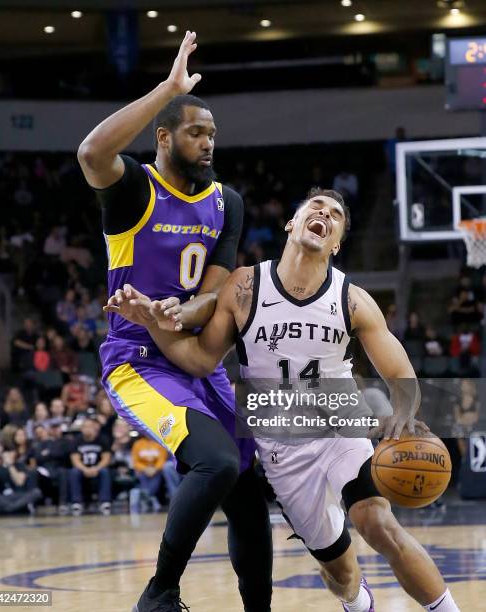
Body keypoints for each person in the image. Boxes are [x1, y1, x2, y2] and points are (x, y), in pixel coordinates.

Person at [106, 187, 461, 612]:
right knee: (342, 573)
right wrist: (153, 324)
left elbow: (400, 374)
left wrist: (404, 415)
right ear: (291, 223)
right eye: (315, 206)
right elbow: (200, 360)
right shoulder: (245, 286)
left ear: (336, 243)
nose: (324, 214)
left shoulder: (351, 299)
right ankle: (357, 601)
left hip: (339, 429)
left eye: (335, 216)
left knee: (377, 522)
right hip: (283, 451)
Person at [78, 31, 272, 612]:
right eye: (195, 131)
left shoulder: (225, 202)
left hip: (193, 355)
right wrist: (166, 88)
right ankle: (158, 592)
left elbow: (213, 291)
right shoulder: (134, 188)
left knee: (245, 485)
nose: (208, 142)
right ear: (163, 137)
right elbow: (91, 153)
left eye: (213, 133)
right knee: (213, 461)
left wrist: (177, 312)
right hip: (137, 359)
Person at [69, 417, 112, 516]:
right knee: (74, 472)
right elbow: (75, 459)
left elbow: (106, 458)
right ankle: (77, 502)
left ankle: (104, 501)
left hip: (98, 467)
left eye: (90, 427)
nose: (88, 429)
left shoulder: (102, 439)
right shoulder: (77, 440)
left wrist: (96, 468)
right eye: (85, 427)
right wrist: (85, 469)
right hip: (82, 468)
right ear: (82, 429)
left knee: (105, 472)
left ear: (95, 428)